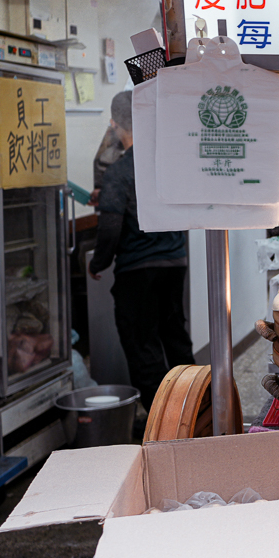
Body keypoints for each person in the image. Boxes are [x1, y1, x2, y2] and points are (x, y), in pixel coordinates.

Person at [89, 91, 195, 410]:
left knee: (143, 347)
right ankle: (197, 413)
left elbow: (110, 227)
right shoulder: (167, 160)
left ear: (114, 124)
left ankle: (162, 425)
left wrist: (98, 262)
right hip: (175, 263)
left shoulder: (118, 171)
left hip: (138, 271)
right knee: (176, 340)